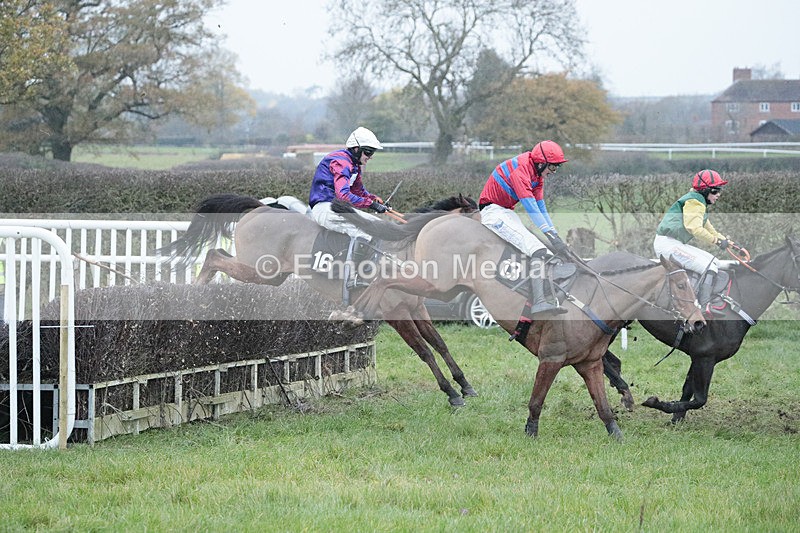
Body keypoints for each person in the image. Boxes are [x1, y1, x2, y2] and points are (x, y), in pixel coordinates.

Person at [478, 140, 571, 316]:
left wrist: (555, 235)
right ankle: (538, 303)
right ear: (541, 162)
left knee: (549, 255)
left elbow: (541, 207)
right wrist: (549, 235)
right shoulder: (520, 171)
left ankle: (548, 297)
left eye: (556, 168)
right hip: (493, 212)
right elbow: (531, 207)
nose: (554, 171)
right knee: (537, 250)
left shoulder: (537, 175)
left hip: (506, 212)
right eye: (552, 167)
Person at [308, 127, 389, 291]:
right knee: (364, 232)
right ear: (356, 149)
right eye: (368, 152)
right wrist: (371, 205)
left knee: (377, 224)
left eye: (372, 153)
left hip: (338, 207)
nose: (370, 157)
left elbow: (359, 191)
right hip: (324, 207)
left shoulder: (354, 164)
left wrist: (374, 200)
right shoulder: (342, 162)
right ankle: (353, 278)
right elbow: (344, 195)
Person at [654, 169, 739, 316]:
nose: (718, 194)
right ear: (705, 190)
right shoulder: (694, 202)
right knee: (709, 268)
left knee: (715, 262)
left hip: (674, 243)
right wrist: (717, 241)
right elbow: (694, 228)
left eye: (719, 190)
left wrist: (725, 240)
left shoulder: (698, 202)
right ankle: (702, 308)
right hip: (667, 245)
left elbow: (708, 228)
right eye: (715, 190)